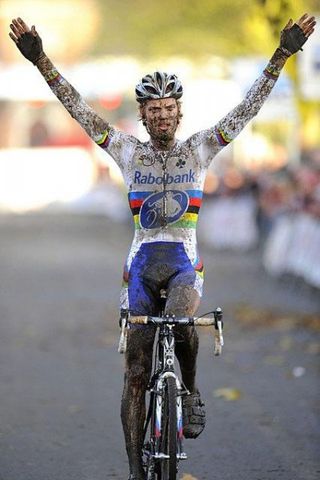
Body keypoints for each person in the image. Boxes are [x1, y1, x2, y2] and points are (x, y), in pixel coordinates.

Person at [9, 13, 316, 480]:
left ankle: (188, 392)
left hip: (183, 263)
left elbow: (247, 108)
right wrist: (41, 61)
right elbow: (77, 108)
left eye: (168, 108)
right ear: (142, 113)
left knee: (183, 320)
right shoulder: (127, 151)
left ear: (179, 111)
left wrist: (281, 54)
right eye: (152, 109)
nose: (161, 116)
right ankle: (136, 470)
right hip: (140, 263)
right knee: (135, 366)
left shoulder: (201, 148)